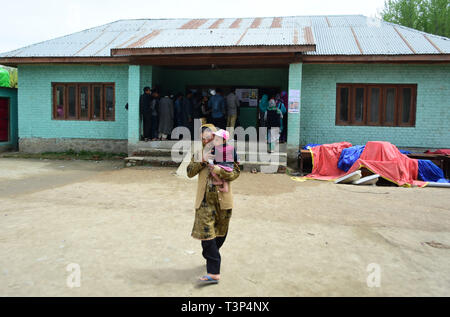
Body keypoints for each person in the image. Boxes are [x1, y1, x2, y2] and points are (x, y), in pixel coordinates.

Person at [187, 124, 240, 285]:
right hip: (204, 202)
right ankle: (214, 272)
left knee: (220, 235)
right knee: (206, 234)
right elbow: (189, 172)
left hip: (223, 201)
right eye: (203, 138)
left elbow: (236, 172)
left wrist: (218, 170)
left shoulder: (227, 151)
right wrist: (202, 160)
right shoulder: (198, 153)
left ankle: (211, 255)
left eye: (210, 137)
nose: (207, 140)